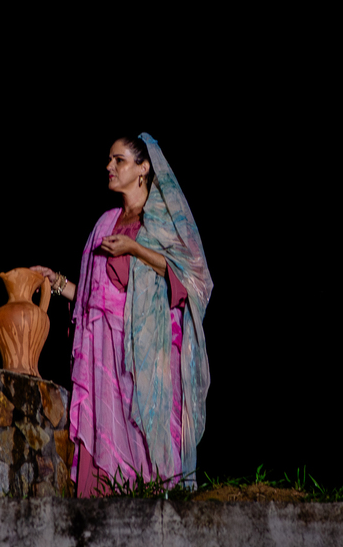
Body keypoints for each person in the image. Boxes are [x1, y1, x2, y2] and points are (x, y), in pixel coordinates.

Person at [32, 134, 211, 495]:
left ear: (144, 169)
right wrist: (57, 282)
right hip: (103, 351)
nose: (109, 167)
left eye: (119, 161)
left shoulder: (162, 221)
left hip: (148, 349)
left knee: (148, 430)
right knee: (105, 433)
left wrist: (136, 248)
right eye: (110, 161)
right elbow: (91, 295)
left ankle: (157, 503)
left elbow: (194, 280)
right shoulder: (106, 221)